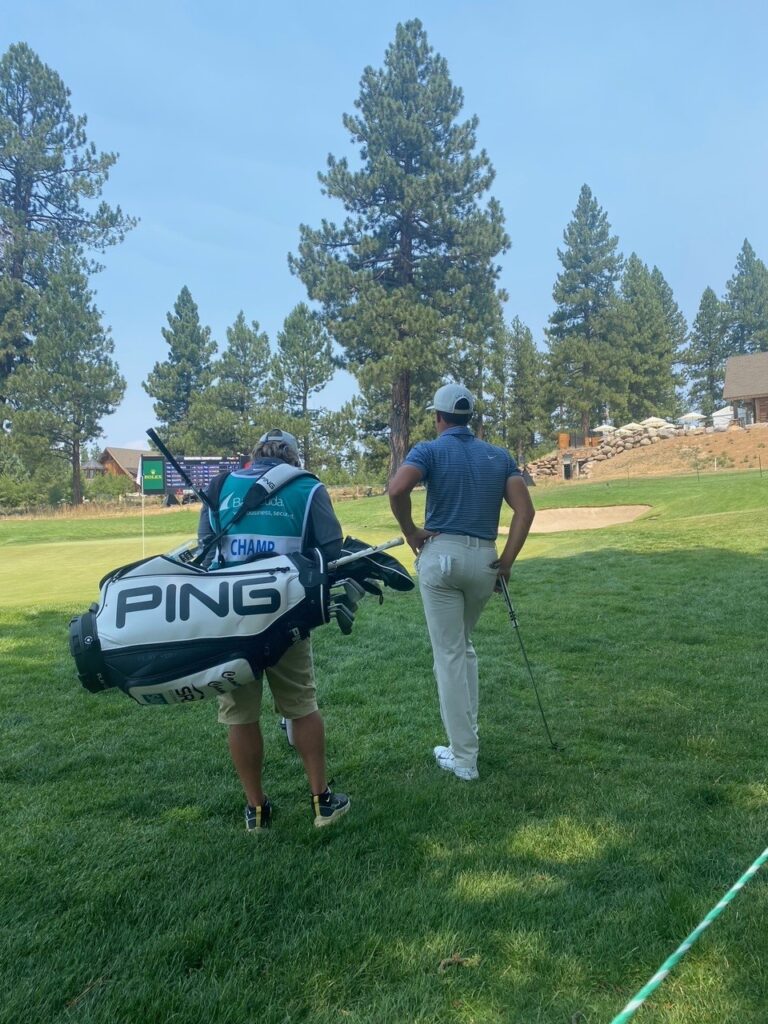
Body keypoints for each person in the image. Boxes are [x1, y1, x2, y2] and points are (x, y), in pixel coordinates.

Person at [197, 428, 350, 831]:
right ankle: (322, 802)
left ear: (256, 455)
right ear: (293, 458)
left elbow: (205, 551)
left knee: (239, 715)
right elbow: (331, 551)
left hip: (229, 618)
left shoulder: (219, 487)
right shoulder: (308, 488)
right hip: (286, 615)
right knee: (301, 705)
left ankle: (257, 811)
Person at [388, 384, 535, 781]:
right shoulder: (499, 455)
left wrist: (411, 531)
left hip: (442, 557)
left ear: (439, 417)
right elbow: (525, 511)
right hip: (484, 559)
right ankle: (467, 736)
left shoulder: (430, 449)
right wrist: (505, 563)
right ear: (469, 418)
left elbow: (398, 488)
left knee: (449, 655)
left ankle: (464, 757)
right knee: (463, 648)